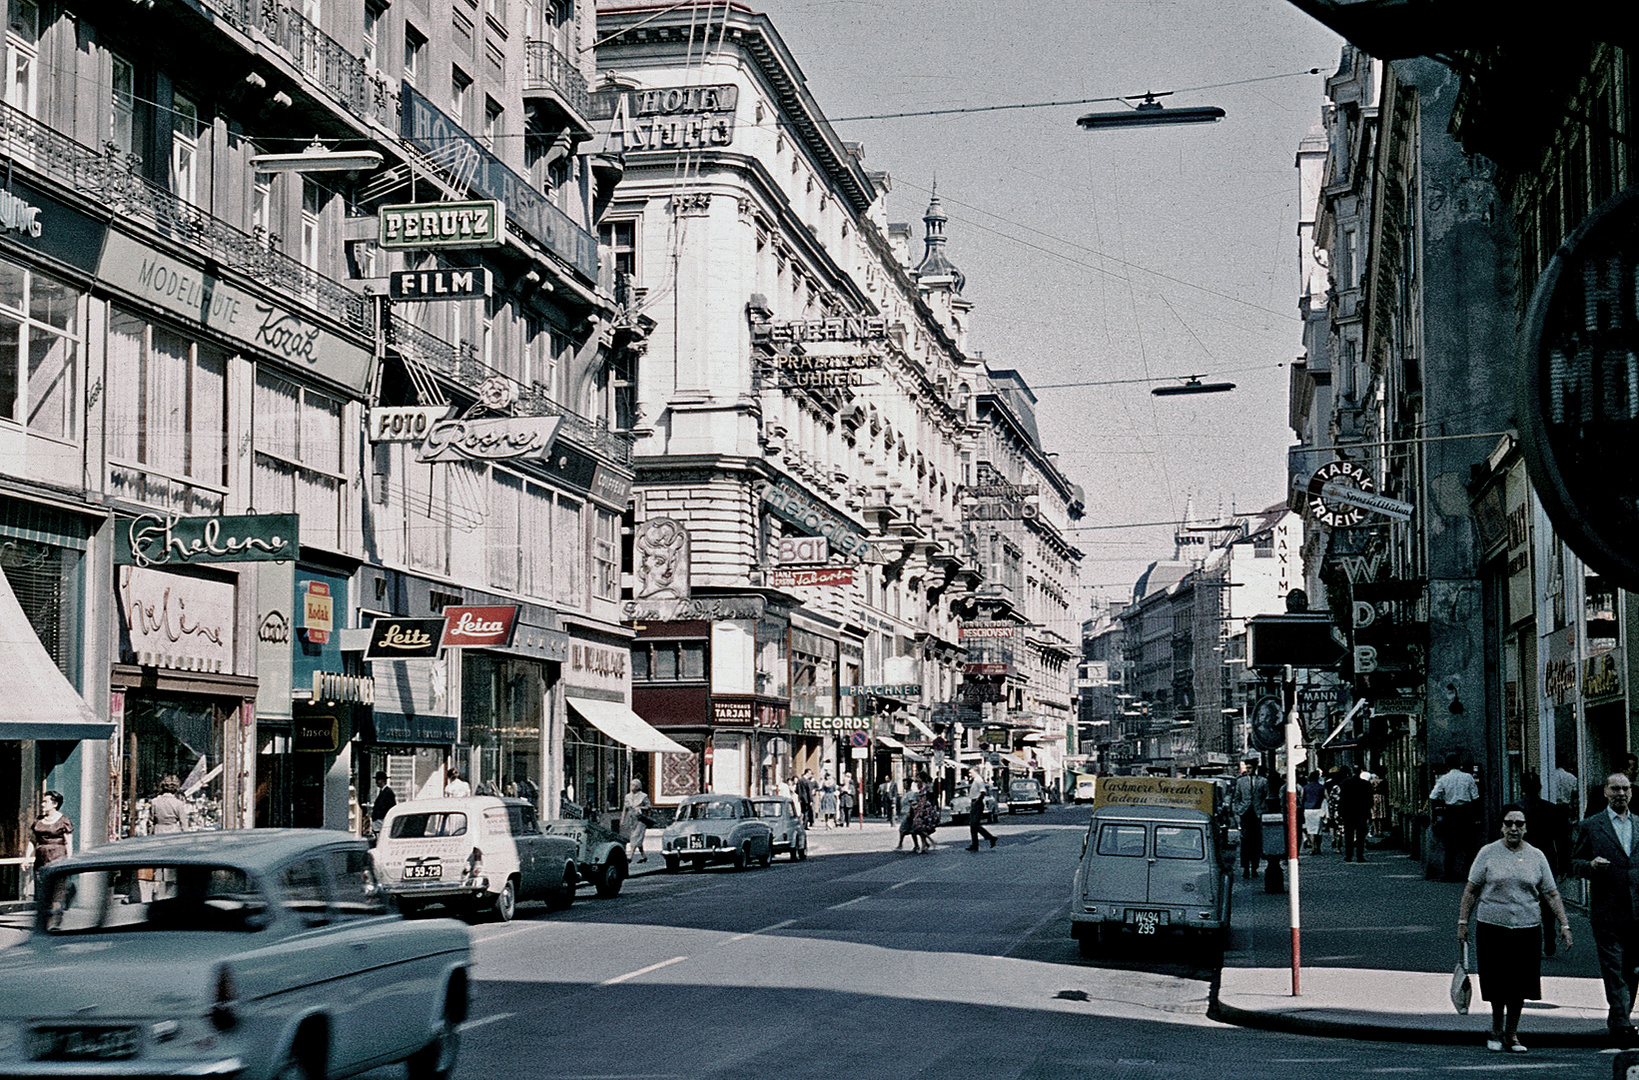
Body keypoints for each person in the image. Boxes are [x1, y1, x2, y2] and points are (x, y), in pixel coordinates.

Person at [1460, 804, 1572, 1053]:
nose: (1514, 828)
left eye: (1519, 824)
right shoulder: (1488, 853)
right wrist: (1462, 922)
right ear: (1501, 826)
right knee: (1497, 982)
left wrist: (1564, 925)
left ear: (1526, 828)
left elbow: (1551, 894)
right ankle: (1496, 1030)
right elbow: (1471, 890)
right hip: (1492, 927)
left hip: (1527, 927)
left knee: (1520, 983)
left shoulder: (1536, 856)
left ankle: (1512, 1034)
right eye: (1509, 823)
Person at [1573, 773, 1639, 1046]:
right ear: (1605, 792)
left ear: (1631, 793)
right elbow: (1573, 862)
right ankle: (1623, 1024)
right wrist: (1590, 866)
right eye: (1615, 789)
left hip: (1636, 910)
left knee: (1632, 969)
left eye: (1625, 789)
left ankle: (1617, 1018)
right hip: (1607, 909)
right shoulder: (1591, 826)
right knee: (1613, 968)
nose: (1621, 793)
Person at [1431, 753, 1481, 881]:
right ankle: (1469, 873)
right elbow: (1475, 796)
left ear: (1447, 765)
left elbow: (1433, 796)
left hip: (1451, 812)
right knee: (1469, 845)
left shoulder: (1444, 779)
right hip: (1466, 812)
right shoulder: (1468, 777)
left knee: (1450, 845)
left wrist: (1444, 800)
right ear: (1460, 764)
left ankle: (1449, 874)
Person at [1229, 759, 1268, 878]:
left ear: (1255, 768)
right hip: (1245, 813)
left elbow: (1265, 796)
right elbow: (1236, 797)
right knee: (1245, 843)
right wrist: (1238, 811)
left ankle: (1255, 867)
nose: (1248, 770)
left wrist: (1262, 808)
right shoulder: (1240, 781)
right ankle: (1245, 867)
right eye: (1247, 768)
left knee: (1256, 843)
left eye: (1250, 768)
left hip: (1257, 813)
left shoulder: (1262, 781)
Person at [1339, 769, 1374, 862]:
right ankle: (1360, 856)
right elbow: (1370, 800)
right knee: (1361, 835)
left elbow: (1342, 798)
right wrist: (1368, 811)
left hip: (1348, 812)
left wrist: (1341, 812)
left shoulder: (1345, 783)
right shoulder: (1366, 784)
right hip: (1361, 812)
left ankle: (1348, 855)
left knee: (1348, 835)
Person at [620, 778, 651, 863]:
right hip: (631, 819)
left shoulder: (643, 796)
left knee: (635, 837)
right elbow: (625, 809)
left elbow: (649, 806)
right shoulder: (628, 796)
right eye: (631, 784)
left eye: (634, 785)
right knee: (637, 838)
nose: (631, 787)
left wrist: (640, 808)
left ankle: (630, 856)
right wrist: (622, 820)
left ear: (638, 787)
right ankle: (643, 856)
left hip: (640, 819)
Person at [965, 771, 996, 851]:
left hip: (977, 804)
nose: (969, 775)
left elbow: (983, 792)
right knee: (972, 825)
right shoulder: (975, 780)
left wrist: (977, 801)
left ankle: (990, 837)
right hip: (974, 803)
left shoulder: (979, 780)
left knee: (975, 823)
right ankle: (974, 845)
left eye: (971, 773)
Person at [1301, 771, 1327, 855]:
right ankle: (1318, 847)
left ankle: (1312, 847)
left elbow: (1302, 798)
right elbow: (1327, 797)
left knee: (1310, 830)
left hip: (1308, 809)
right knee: (1318, 831)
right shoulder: (1322, 787)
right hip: (1318, 809)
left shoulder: (1305, 787)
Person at [910, 783, 940, 853]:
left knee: (919, 827)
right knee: (921, 828)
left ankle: (930, 841)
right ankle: (925, 845)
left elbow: (923, 800)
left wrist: (920, 811)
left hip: (924, 809)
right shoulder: (921, 788)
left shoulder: (924, 788)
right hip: (921, 808)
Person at [370, 771, 397, 836]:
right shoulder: (382, 792)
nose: (376, 782)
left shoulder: (387, 792)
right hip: (379, 821)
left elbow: (391, 806)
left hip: (382, 820)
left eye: (378, 780)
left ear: (382, 781)